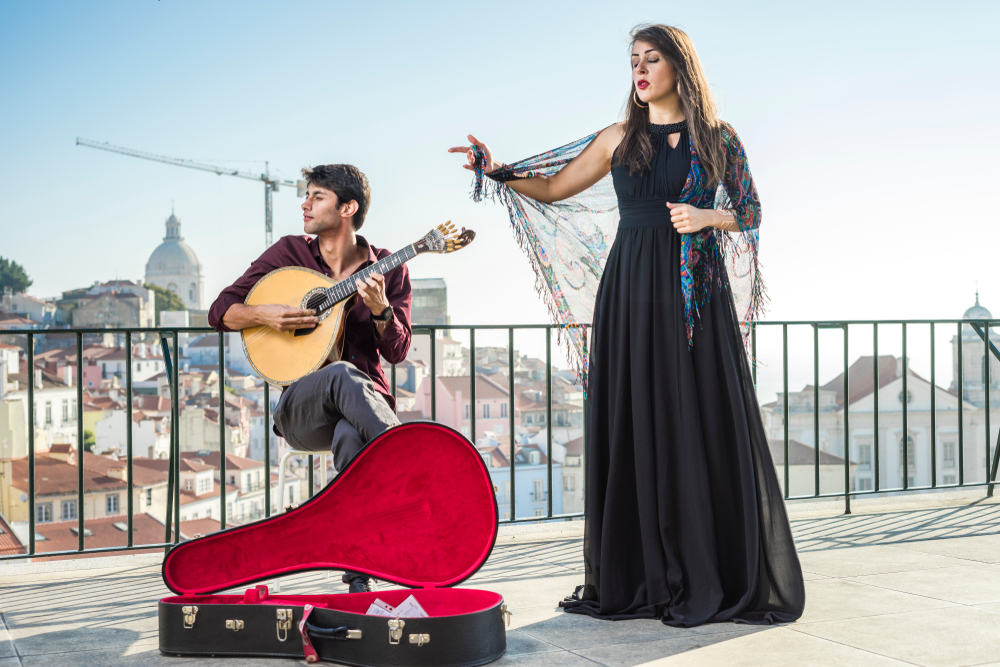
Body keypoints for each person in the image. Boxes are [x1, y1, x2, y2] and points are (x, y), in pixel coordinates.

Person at [449, 24, 804, 626]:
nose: (639, 71)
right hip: (631, 290)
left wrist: (704, 217)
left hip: (696, 300)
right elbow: (556, 187)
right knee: (638, 419)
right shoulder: (619, 136)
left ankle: (711, 569)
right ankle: (642, 573)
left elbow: (749, 211)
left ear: (679, 68)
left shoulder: (718, 138)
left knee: (700, 417)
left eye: (651, 59)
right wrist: (496, 171)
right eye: (633, 62)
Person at [208, 163, 410, 594]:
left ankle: (359, 576)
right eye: (307, 195)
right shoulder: (288, 255)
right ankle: (412, 471)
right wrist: (266, 314)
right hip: (300, 410)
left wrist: (380, 312)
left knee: (352, 438)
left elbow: (397, 351)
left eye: (317, 196)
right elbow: (220, 309)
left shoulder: (388, 268)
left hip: (362, 410)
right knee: (340, 374)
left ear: (347, 208)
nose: (305, 203)